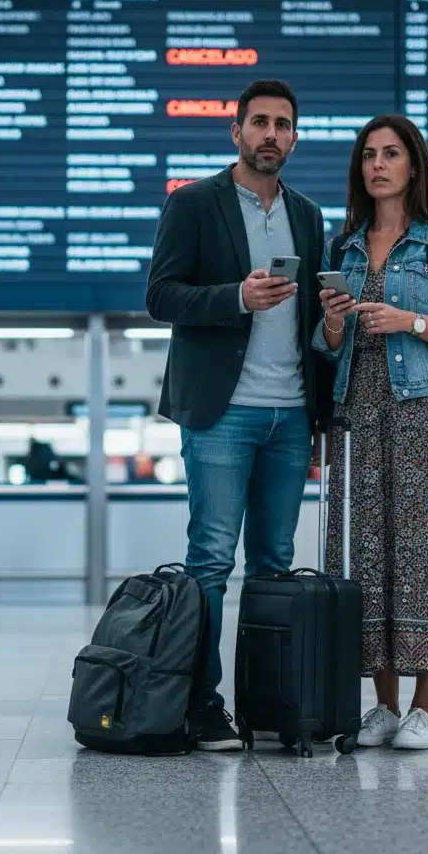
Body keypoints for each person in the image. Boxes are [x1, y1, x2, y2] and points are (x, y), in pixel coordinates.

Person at [146, 78, 333, 751]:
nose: (270, 135)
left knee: (275, 565)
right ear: (237, 132)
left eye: (282, 124)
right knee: (210, 561)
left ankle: (268, 704)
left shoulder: (308, 215)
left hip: (291, 414)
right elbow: (161, 296)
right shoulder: (194, 203)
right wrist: (236, 297)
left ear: (294, 138)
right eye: (260, 122)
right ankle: (202, 705)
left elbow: (309, 320)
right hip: (222, 412)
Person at [314, 114, 428, 751]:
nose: (378, 166)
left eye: (391, 154)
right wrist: (335, 324)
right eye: (368, 156)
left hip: (427, 415)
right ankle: (383, 706)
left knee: (425, 553)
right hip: (359, 415)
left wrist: (410, 321)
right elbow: (326, 347)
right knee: (367, 555)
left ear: (414, 165)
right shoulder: (342, 248)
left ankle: (424, 707)